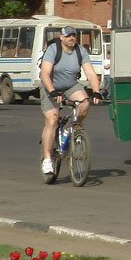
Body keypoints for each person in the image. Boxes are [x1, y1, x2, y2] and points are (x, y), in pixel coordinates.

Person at [38, 26, 102, 176]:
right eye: (68, 36)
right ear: (61, 37)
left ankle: (72, 128)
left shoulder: (81, 51)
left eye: (73, 35)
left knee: (85, 102)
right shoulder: (53, 49)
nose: (71, 38)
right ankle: (47, 159)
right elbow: (45, 74)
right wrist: (52, 91)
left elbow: (91, 74)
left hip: (71, 85)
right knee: (52, 120)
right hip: (51, 86)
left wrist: (96, 92)